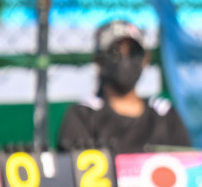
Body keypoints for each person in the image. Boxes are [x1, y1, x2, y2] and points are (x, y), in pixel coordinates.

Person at [58, 20, 191, 154]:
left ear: (145, 59)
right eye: (115, 53)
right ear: (99, 60)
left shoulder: (165, 116)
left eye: (133, 53)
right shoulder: (84, 116)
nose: (125, 61)